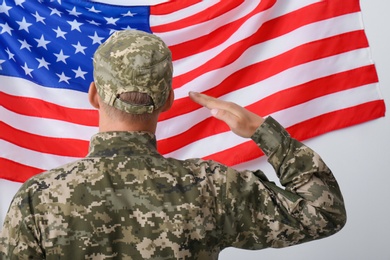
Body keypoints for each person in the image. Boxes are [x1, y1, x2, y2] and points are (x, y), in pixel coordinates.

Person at [0, 29, 346, 259]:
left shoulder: (38, 198)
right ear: (168, 99)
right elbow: (324, 212)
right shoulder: (210, 187)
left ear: (94, 95)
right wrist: (262, 130)